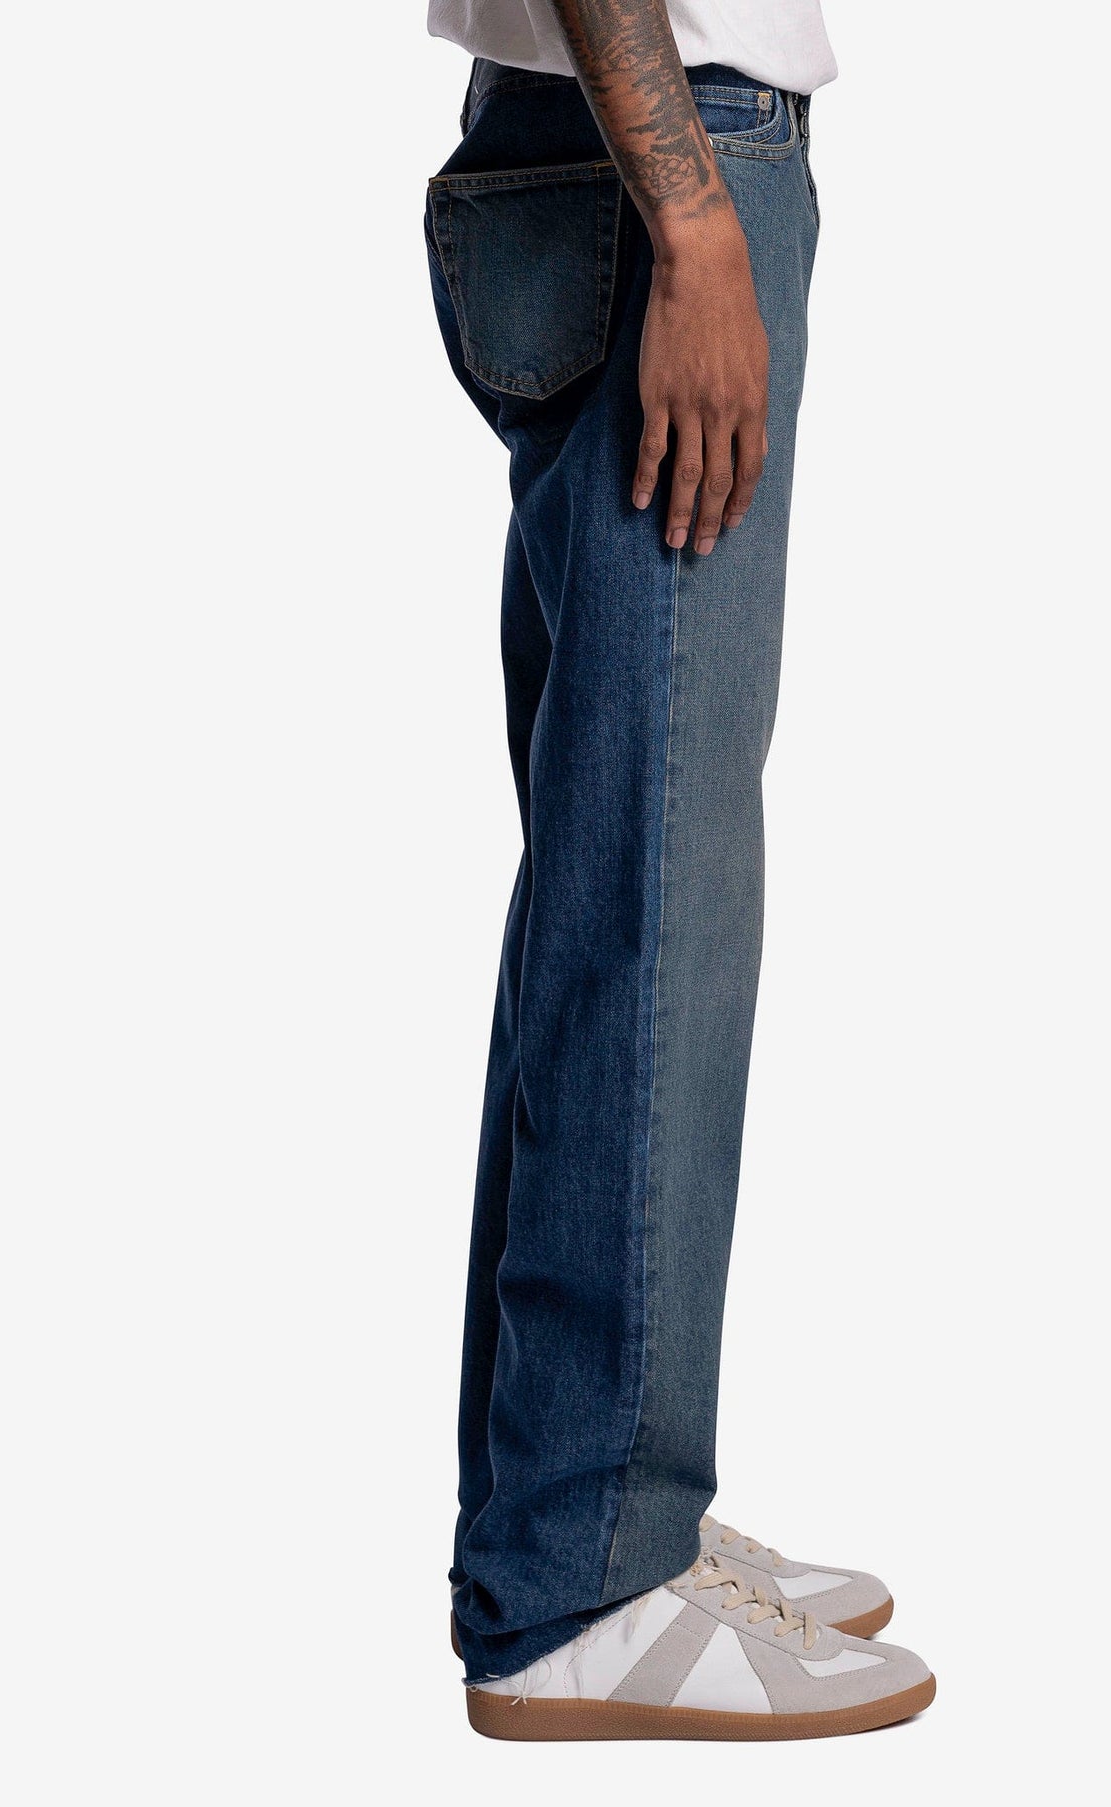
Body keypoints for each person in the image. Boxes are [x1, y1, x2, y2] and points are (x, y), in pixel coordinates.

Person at [423, 1, 934, 1738]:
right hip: (664, 161)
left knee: (610, 881)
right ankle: (585, 1576)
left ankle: (574, 1520)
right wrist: (697, 219)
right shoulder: (682, 193)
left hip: (583, 141)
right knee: (657, 888)